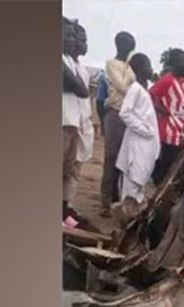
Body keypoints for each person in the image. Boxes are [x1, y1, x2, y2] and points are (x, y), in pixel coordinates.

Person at [115, 53, 160, 218]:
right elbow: (124, 113)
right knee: (132, 183)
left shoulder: (142, 89)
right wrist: (145, 130)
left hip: (144, 145)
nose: (151, 69)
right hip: (138, 143)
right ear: (140, 68)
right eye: (148, 65)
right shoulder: (135, 89)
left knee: (139, 182)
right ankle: (127, 217)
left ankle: (133, 216)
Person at [100, 31, 136, 216]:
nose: (129, 46)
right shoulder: (111, 64)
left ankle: (117, 200)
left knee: (123, 160)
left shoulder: (129, 67)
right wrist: (132, 83)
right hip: (115, 113)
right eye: (126, 43)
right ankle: (106, 201)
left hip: (128, 116)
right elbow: (122, 86)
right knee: (111, 158)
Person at [62, 19, 94, 222]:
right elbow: (81, 90)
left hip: (75, 123)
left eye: (76, 37)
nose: (74, 41)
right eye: (69, 36)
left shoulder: (73, 64)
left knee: (70, 170)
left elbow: (81, 91)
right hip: (64, 121)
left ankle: (65, 209)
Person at [149, 48, 184, 185]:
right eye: (182, 62)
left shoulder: (183, 81)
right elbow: (149, 95)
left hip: (179, 131)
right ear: (174, 65)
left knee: (174, 164)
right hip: (167, 132)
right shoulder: (167, 80)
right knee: (165, 163)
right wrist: (160, 109)